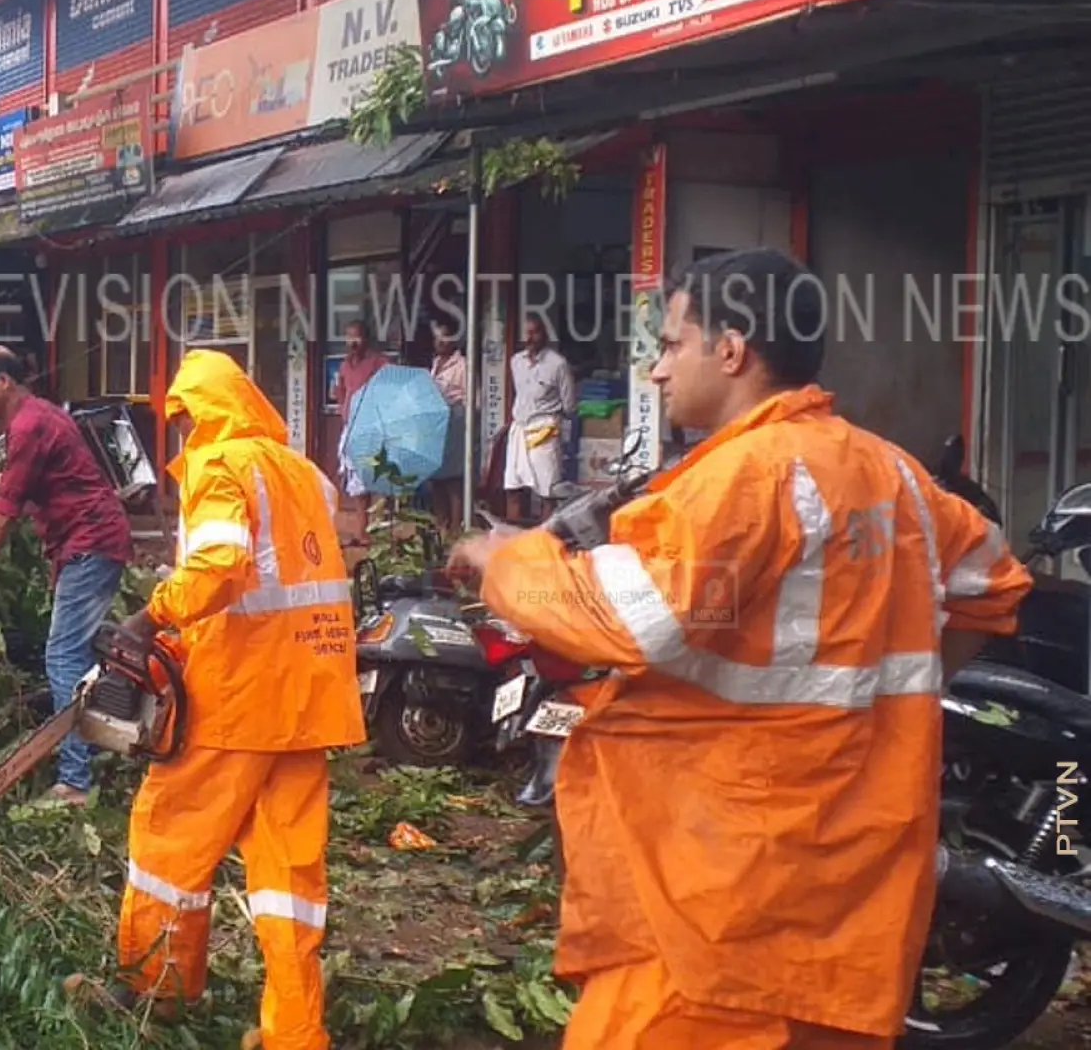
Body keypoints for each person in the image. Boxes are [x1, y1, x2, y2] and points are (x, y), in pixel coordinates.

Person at [445, 249, 1031, 1050]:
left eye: (672, 343)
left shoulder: (742, 480)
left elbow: (615, 618)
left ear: (731, 351)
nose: (655, 370)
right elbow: (992, 584)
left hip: (723, 887)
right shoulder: (891, 474)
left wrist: (502, 559)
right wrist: (886, 712)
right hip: (852, 886)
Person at [95, 348, 361, 1050]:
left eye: (183, 420)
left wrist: (149, 616)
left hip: (237, 701)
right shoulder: (303, 472)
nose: (181, 436)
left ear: (204, 413)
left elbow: (218, 567)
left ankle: (155, 995)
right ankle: (295, 1032)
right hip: (310, 699)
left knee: (166, 846)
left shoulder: (220, 466)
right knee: (287, 878)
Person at [0, 345, 133, 806]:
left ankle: (74, 782)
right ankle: (119, 731)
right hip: (87, 542)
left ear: (4, 381)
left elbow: (6, 511)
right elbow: (36, 484)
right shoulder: (37, 416)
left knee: (63, 656)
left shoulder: (29, 426)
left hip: (90, 542)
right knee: (83, 651)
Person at [504, 314, 575, 521]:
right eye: (526, 333)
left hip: (545, 430)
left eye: (534, 332)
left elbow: (569, 405)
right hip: (519, 429)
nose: (530, 338)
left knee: (548, 491)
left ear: (544, 335)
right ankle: (513, 539)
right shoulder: (515, 361)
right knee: (512, 487)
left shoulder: (558, 364)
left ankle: (544, 540)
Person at [329, 320, 391, 516]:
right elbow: (339, 393)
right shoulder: (345, 365)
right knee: (355, 481)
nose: (352, 342)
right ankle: (361, 533)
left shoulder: (379, 362)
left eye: (357, 337)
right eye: (349, 337)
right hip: (352, 428)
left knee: (376, 479)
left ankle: (377, 532)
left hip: (373, 429)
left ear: (366, 339)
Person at [429, 320, 470, 525]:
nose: (440, 342)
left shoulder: (462, 365)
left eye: (445, 337)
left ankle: (455, 527)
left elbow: (471, 398)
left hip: (455, 421)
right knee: (436, 478)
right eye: (437, 338)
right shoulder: (436, 363)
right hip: (436, 424)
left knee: (453, 479)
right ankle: (441, 526)